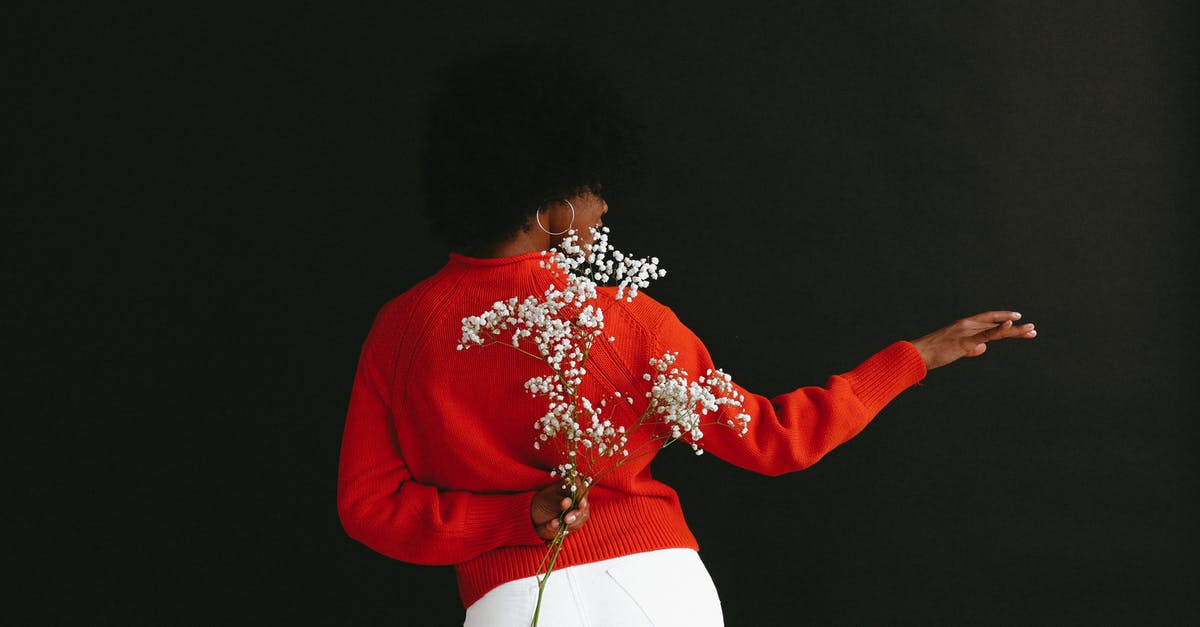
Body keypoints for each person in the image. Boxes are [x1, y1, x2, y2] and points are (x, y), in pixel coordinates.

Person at [336, 43, 1036, 627]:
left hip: (514, 602)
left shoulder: (402, 329)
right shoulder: (627, 321)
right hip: (657, 589)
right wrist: (914, 358)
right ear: (546, 204)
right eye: (593, 187)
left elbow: (368, 506)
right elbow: (773, 439)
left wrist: (517, 520)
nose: (604, 206)